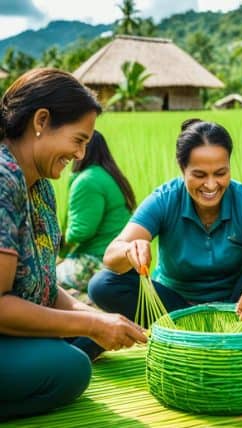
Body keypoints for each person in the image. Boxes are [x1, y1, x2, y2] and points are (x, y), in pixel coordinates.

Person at [0, 68, 147, 420]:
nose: (81, 155)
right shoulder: (4, 180)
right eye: (78, 139)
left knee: (92, 336)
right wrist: (92, 325)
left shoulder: (41, 187)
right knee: (72, 369)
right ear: (41, 120)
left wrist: (96, 318)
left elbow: (47, 288)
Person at [88, 118, 242, 329]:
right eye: (199, 174)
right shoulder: (165, 199)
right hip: (176, 306)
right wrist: (129, 249)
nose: (211, 185)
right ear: (182, 170)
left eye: (220, 173)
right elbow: (111, 256)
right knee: (102, 284)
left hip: (239, 303)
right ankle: (191, 327)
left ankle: (229, 320)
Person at [57, 130, 136, 292]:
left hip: (97, 261)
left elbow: (81, 231)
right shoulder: (109, 175)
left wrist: (60, 248)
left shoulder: (87, 181)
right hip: (120, 261)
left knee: (44, 280)